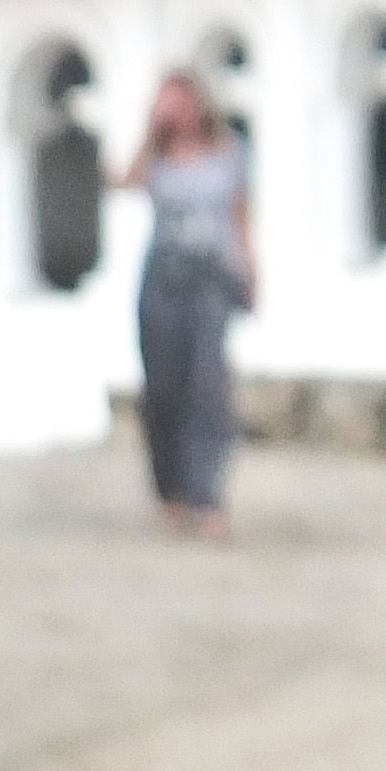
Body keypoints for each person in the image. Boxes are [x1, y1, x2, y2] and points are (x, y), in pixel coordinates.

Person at [117, 68, 253, 537]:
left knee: (208, 388)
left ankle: (207, 497)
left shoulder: (229, 153)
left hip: (210, 279)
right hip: (163, 279)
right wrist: (149, 131)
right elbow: (122, 182)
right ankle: (170, 488)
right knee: (163, 388)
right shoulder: (157, 154)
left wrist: (250, 272)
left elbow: (240, 217)